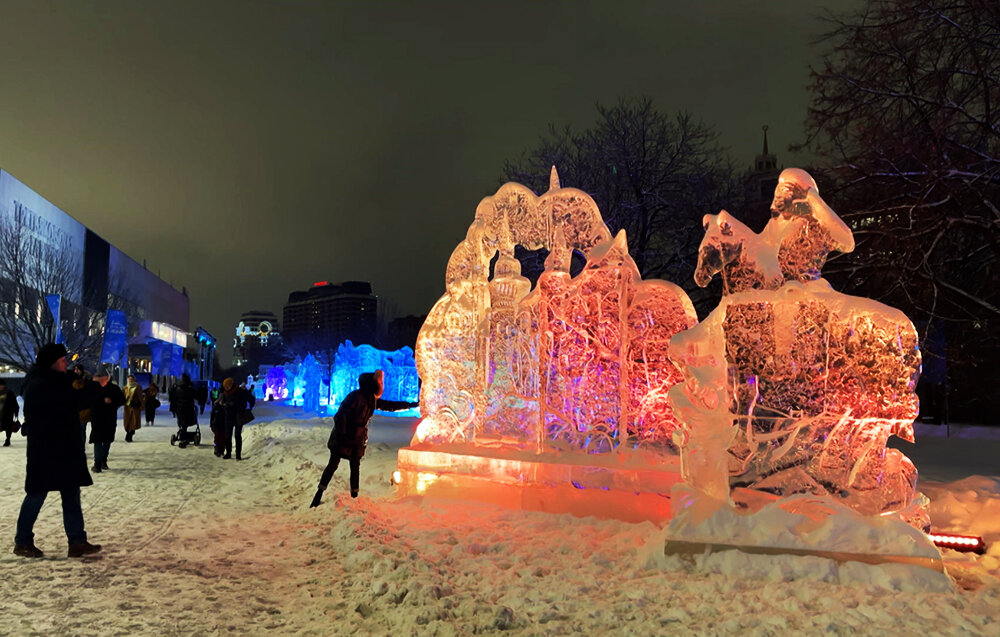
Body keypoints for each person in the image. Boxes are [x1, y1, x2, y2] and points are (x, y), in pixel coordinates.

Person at [13, 343, 102, 558]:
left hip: (64, 450)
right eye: (62, 360)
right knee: (36, 494)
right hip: (46, 451)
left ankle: (77, 541)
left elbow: (72, 398)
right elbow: (70, 402)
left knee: (71, 493)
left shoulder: (57, 381)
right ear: (52, 363)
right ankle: (22, 541)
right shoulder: (39, 384)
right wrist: (94, 387)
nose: (66, 363)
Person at [310, 370, 416, 507]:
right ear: (372, 384)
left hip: (357, 439)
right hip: (344, 437)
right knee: (332, 465)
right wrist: (343, 433)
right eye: (380, 382)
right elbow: (340, 415)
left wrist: (411, 405)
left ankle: (354, 498)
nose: (381, 385)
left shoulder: (371, 399)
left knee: (355, 467)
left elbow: (390, 406)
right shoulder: (355, 397)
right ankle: (318, 495)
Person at [89, 367, 125, 473]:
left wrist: (112, 402)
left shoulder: (114, 388)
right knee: (98, 440)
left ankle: (103, 460)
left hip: (109, 417)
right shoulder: (93, 388)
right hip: (97, 417)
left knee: (107, 440)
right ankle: (97, 463)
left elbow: (122, 400)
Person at [210, 378, 253, 459]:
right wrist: (223, 404)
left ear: (231, 385)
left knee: (237, 435)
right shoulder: (225, 393)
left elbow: (243, 403)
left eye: (228, 386)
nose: (226, 388)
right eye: (225, 386)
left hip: (238, 416)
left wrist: (233, 405)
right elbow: (222, 402)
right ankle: (228, 453)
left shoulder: (239, 392)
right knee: (228, 436)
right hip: (228, 416)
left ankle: (238, 454)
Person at [172, 373, 197, 448]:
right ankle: (184, 437)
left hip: (180, 408)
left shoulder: (178, 388)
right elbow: (194, 395)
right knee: (185, 423)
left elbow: (174, 397)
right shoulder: (190, 388)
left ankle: (183, 434)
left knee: (182, 423)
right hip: (188, 408)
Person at [122, 374, 143, 442]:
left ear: (134, 380)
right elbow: (122, 396)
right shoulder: (125, 387)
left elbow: (140, 397)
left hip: (134, 407)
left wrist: (139, 404)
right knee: (127, 421)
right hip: (127, 407)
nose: (130, 380)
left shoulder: (138, 387)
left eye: (131, 379)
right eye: (129, 379)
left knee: (133, 421)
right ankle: (128, 433)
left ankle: (130, 435)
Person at [0, 378, 20, 447]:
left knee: (8, 427)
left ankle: (8, 439)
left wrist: (16, 411)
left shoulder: (9, 392)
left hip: (7, 413)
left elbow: (14, 402)